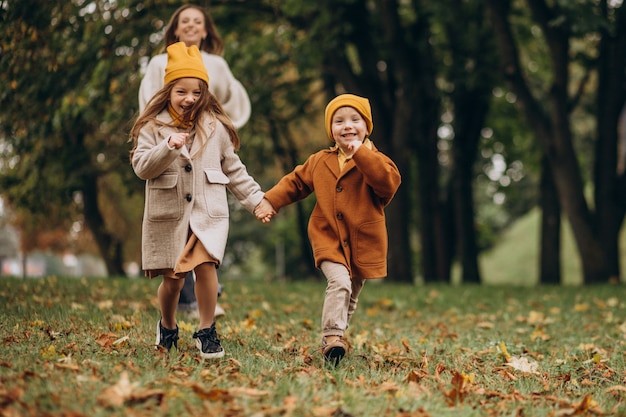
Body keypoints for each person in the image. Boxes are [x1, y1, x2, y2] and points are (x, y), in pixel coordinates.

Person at [130, 41, 273, 358]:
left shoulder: (216, 127)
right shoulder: (152, 127)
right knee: (174, 282)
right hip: (170, 214)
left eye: (197, 92)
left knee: (207, 267)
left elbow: (235, 171)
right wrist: (167, 145)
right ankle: (168, 325)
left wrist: (257, 200)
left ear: (205, 92)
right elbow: (141, 167)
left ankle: (207, 330)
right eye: (181, 91)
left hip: (208, 213)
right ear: (168, 91)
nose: (189, 98)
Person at [254, 94, 401, 366]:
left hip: (362, 240)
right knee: (340, 282)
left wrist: (362, 154)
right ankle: (332, 337)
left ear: (366, 127)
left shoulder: (378, 161)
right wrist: (270, 201)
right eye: (339, 121)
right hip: (328, 236)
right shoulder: (320, 161)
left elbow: (386, 184)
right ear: (330, 129)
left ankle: (338, 338)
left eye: (355, 120)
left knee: (351, 295)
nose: (347, 126)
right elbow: (296, 182)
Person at [139, 4, 252, 319]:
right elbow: (149, 102)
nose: (190, 25)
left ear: (205, 30)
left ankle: (205, 318)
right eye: (184, 21)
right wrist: (161, 135)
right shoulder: (158, 63)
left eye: (197, 21)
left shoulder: (216, 64)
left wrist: (219, 125)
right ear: (175, 28)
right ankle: (177, 311)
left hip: (205, 153)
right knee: (176, 247)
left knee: (204, 235)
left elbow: (231, 97)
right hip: (170, 155)